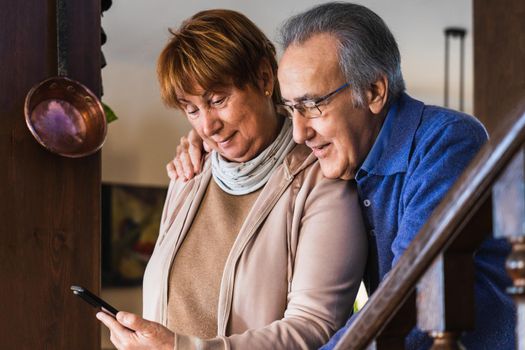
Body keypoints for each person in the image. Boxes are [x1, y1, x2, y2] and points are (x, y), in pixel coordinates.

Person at [168, 3, 515, 349]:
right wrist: (209, 137)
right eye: (292, 109)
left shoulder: (447, 140)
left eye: (311, 106)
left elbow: (413, 296)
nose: (300, 133)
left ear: (375, 92)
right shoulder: (350, 156)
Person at [97, 9, 367, 350]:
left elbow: (315, 327)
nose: (207, 125)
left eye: (218, 100)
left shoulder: (321, 182)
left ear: (265, 79)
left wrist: (181, 348)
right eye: (192, 109)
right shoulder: (188, 174)